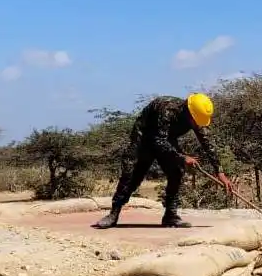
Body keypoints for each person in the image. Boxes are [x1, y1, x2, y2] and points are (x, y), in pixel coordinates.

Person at [93, 93, 232, 229]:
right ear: (188, 112)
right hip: (143, 138)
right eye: (195, 121)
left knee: (176, 171)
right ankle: (113, 214)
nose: (196, 124)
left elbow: (207, 143)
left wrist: (219, 171)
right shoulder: (165, 109)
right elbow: (157, 141)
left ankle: (170, 216)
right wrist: (183, 157)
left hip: (166, 139)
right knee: (132, 175)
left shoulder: (195, 116)